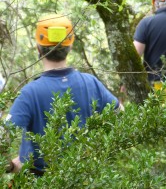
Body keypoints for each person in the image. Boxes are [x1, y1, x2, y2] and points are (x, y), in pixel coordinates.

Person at [5, 13, 122, 174]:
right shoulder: (91, 83)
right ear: (70, 46)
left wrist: (12, 166)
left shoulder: (30, 93)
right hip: (82, 181)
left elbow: (2, 137)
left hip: (38, 188)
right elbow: (121, 114)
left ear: (38, 47)